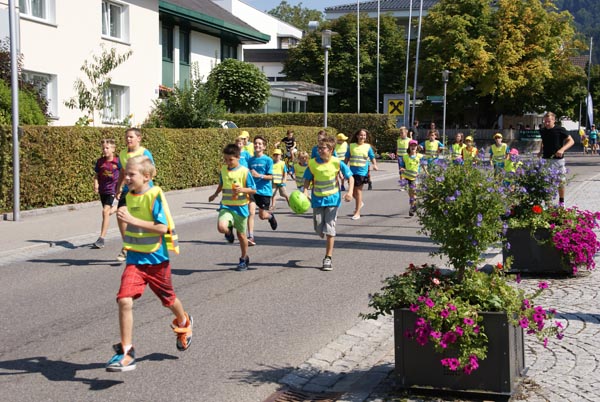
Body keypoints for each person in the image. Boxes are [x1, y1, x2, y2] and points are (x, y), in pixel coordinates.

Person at [106, 156, 191, 372]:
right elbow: (127, 222)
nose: (126, 178)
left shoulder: (154, 195)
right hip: (135, 260)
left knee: (168, 299)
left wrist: (133, 221)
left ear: (147, 177)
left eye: (131, 174)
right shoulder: (129, 196)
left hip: (156, 261)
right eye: (125, 174)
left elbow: (163, 228)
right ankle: (127, 351)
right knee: (124, 300)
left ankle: (184, 322)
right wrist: (121, 217)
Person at [303, 135, 354, 271]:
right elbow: (307, 179)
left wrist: (349, 192)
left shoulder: (337, 162)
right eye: (319, 148)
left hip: (332, 199)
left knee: (330, 228)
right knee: (319, 228)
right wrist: (305, 191)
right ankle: (322, 232)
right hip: (317, 199)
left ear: (331, 149)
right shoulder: (312, 163)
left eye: (323, 148)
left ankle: (328, 258)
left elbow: (351, 177)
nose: (320, 150)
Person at [208, 144, 257, 271]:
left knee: (241, 236)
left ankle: (244, 258)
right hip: (226, 205)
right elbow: (222, 183)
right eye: (225, 159)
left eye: (231, 160)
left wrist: (243, 189)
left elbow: (253, 190)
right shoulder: (224, 169)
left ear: (238, 157)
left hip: (241, 208)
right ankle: (229, 232)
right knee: (221, 227)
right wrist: (215, 194)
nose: (228, 162)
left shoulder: (244, 171)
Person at [115, 128, 155, 262]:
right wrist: (118, 187)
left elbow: (152, 171)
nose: (128, 139)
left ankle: (148, 244)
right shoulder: (122, 154)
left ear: (139, 138)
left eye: (131, 137)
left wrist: (146, 187)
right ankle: (127, 245)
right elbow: (122, 171)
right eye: (126, 137)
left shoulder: (144, 152)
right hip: (128, 189)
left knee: (142, 216)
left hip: (144, 189)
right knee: (120, 214)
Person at [538, 112, 575, 206]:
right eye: (545, 121)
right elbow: (543, 141)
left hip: (558, 160)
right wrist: (540, 151)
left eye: (548, 121)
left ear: (554, 120)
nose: (546, 123)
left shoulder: (560, 130)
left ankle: (561, 202)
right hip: (546, 159)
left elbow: (571, 141)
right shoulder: (542, 130)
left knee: (560, 181)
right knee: (546, 182)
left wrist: (562, 149)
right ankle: (547, 203)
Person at [247, 136, 277, 246]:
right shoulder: (250, 160)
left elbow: (271, 177)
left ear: (264, 147)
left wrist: (259, 175)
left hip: (264, 191)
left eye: (260, 144)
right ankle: (250, 236)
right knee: (250, 213)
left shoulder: (268, 160)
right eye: (255, 143)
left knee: (262, 216)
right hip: (253, 190)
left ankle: (270, 216)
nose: (257, 145)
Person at [92, 139, 121, 249]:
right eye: (103, 148)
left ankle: (101, 238)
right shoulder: (100, 162)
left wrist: (121, 187)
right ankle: (119, 207)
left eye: (107, 148)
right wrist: (96, 184)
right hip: (103, 190)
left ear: (113, 149)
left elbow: (123, 174)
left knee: (105, 211)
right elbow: (96, 175)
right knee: (107, 212)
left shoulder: (118, 162)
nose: (105, 150)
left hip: (112, 190)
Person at [345, 128, 378, 220]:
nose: (362, 137)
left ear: (366, 137)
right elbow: (347, 158)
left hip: (362, 172)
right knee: (353, 191)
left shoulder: (368, 147)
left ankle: (357, 212)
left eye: (364, 135)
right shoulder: (351, 146)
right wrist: (342, 169)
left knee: (358, 191)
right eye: (361, 135)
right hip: (351, 172)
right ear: (357, 136)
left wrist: (374, 164)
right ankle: (360, 203)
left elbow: (372, 157)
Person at [398, 140, 424, 216]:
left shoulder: (420, 156)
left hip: (415, 177)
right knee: (410, 193)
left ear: (417, 147)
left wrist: (427, 174)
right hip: (407, 177)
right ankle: (414, 205)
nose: (413, 147)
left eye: (415, 146)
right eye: (411, 146)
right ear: (409, 147)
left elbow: (423, 166)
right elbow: (402, 166)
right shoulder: (405, 156)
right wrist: (402, 169)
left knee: (413, 192)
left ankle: (412, 207)